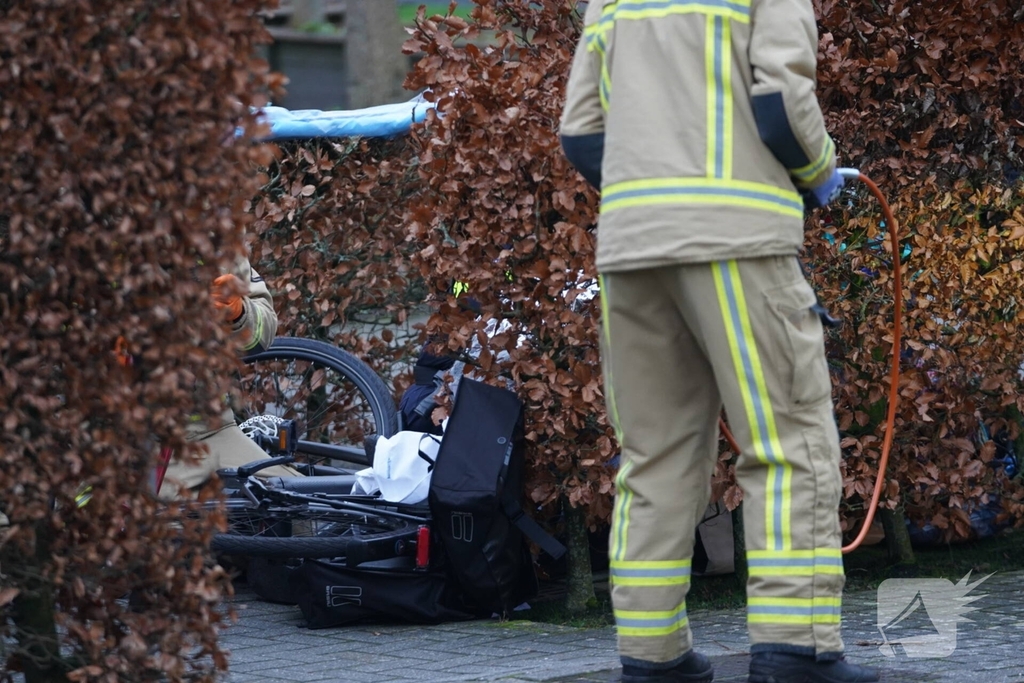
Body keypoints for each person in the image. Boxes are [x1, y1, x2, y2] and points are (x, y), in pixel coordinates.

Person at [559, 1, 878, 682]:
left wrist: (651, 202)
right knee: (790, 444)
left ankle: (652, 657)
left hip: (632, 250)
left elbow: (581, 133)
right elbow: (781, 102)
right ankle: (799, 647)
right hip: (738, 239)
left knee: (656, 456)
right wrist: (821, 172)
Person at [160, 254, 297, 499]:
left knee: (303, 505)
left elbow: (263, 333)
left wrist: (239, 314)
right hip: (128, 437)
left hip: (209, 430)